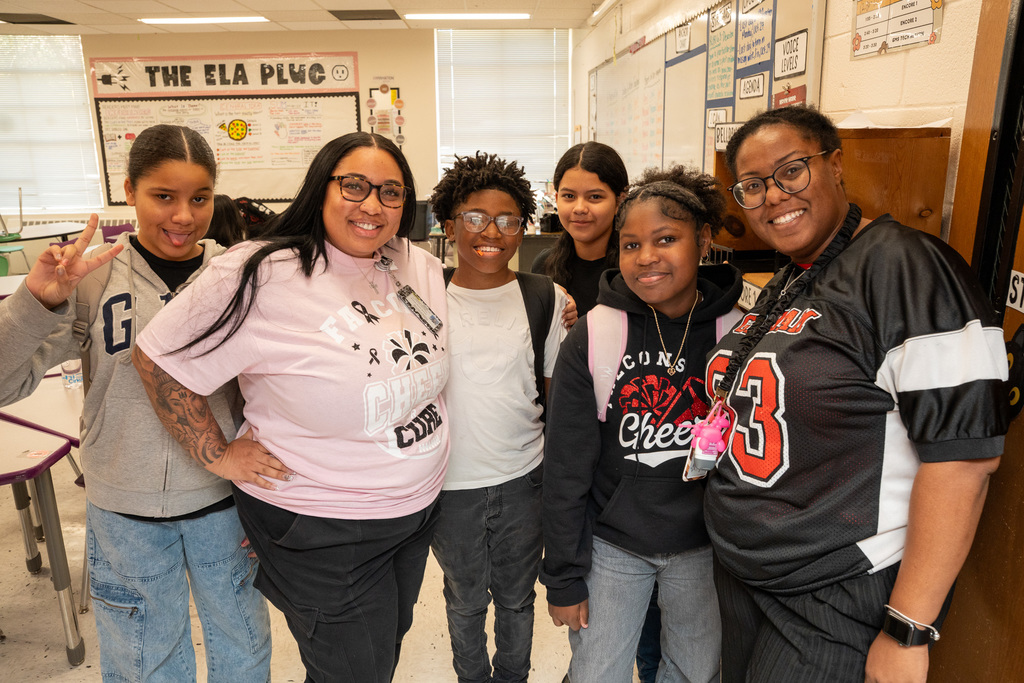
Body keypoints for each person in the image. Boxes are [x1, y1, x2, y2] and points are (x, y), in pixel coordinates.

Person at [706, 105, 1010, 683]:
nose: (773, 195)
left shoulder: (906, 267)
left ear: (836, 165)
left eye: (791, 171)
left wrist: (907, 629)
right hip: (753, 574)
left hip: (835, 590)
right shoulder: (801, 269)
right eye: (751, 186)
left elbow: (966, 460)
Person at [132, 131, 449, 683]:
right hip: (324, 524)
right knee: (357, 670)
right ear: (319, 189)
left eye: (391, 192)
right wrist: (218, 455)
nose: (373, 204)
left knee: (380, 651)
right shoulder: (258, 271)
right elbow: (158, 359)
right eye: (355, 185)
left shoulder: (412, 264)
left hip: (413, 512)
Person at [0, 124, 273, 682]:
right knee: (145, 663)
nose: (183, 216)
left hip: (225, 506)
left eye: (199, 198)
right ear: (129, 191)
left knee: (243, 652)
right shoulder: (92, 278)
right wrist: (35, 302)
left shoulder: (241, 274)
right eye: (163, 196)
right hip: (126, 512)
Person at [541, 165, 742, 682]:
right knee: (597, 670)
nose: (646, 257)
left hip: (706, 547)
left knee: (694, 672)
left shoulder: (739, 333)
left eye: (666, 239)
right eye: (630, 245)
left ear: (703, 242)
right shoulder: (595, 335)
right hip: (614, 545)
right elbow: (565, 467)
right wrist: (563, 577)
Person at [427, 152, 568, 683]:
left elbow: (553, 399)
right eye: (475, 218)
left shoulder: (546, 297)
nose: (493, 232)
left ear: (523, 227)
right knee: (464, 600)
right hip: (449, 485)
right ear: (447, 225)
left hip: (522, 481)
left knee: (515, 598)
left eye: (509, 220)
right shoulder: (421, 297)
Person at [532, 141, 628, 317]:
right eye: (569, 196)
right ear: (556, 198)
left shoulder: (635, 268)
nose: (579, 208)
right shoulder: (544, 266)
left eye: (595, 197)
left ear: (620, 201)